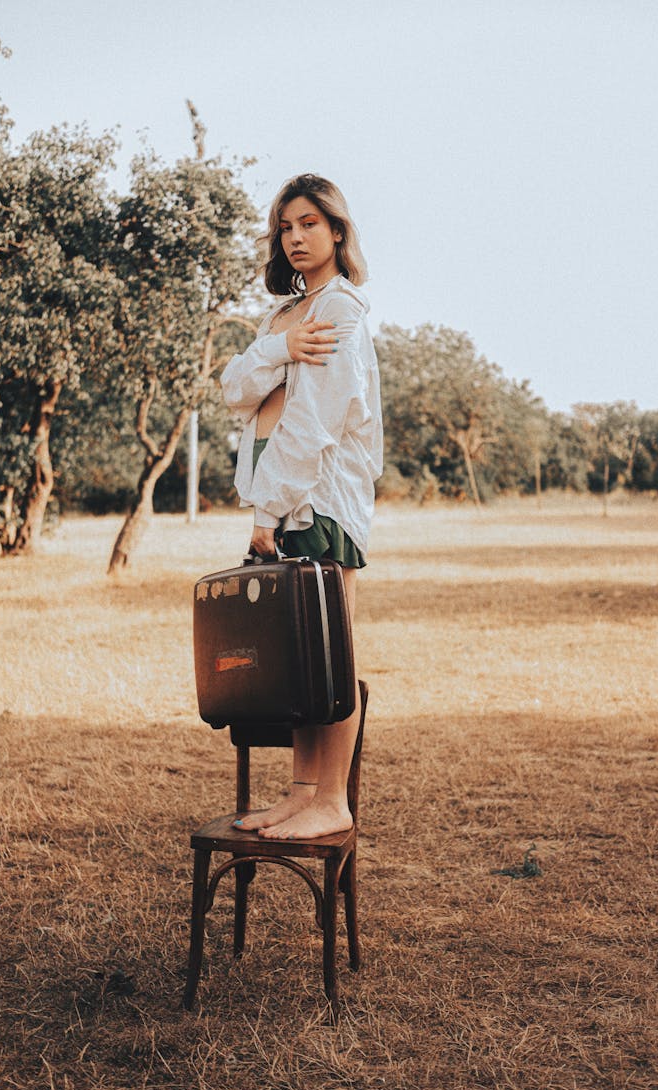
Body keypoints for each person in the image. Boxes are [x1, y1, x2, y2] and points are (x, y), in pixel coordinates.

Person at [220, 172, 382, 840]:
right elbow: (235, 389)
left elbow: (313, 421)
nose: (295, 237)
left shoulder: (339, 308)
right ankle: (301, 793)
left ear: (337, 230)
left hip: (316, 506)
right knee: (298, 661)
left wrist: (267, 513)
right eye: (285, 226)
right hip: (280, 505)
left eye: (309, 223)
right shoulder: (284, 316)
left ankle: (332, 800)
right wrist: (278, 346)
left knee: (330, 657)